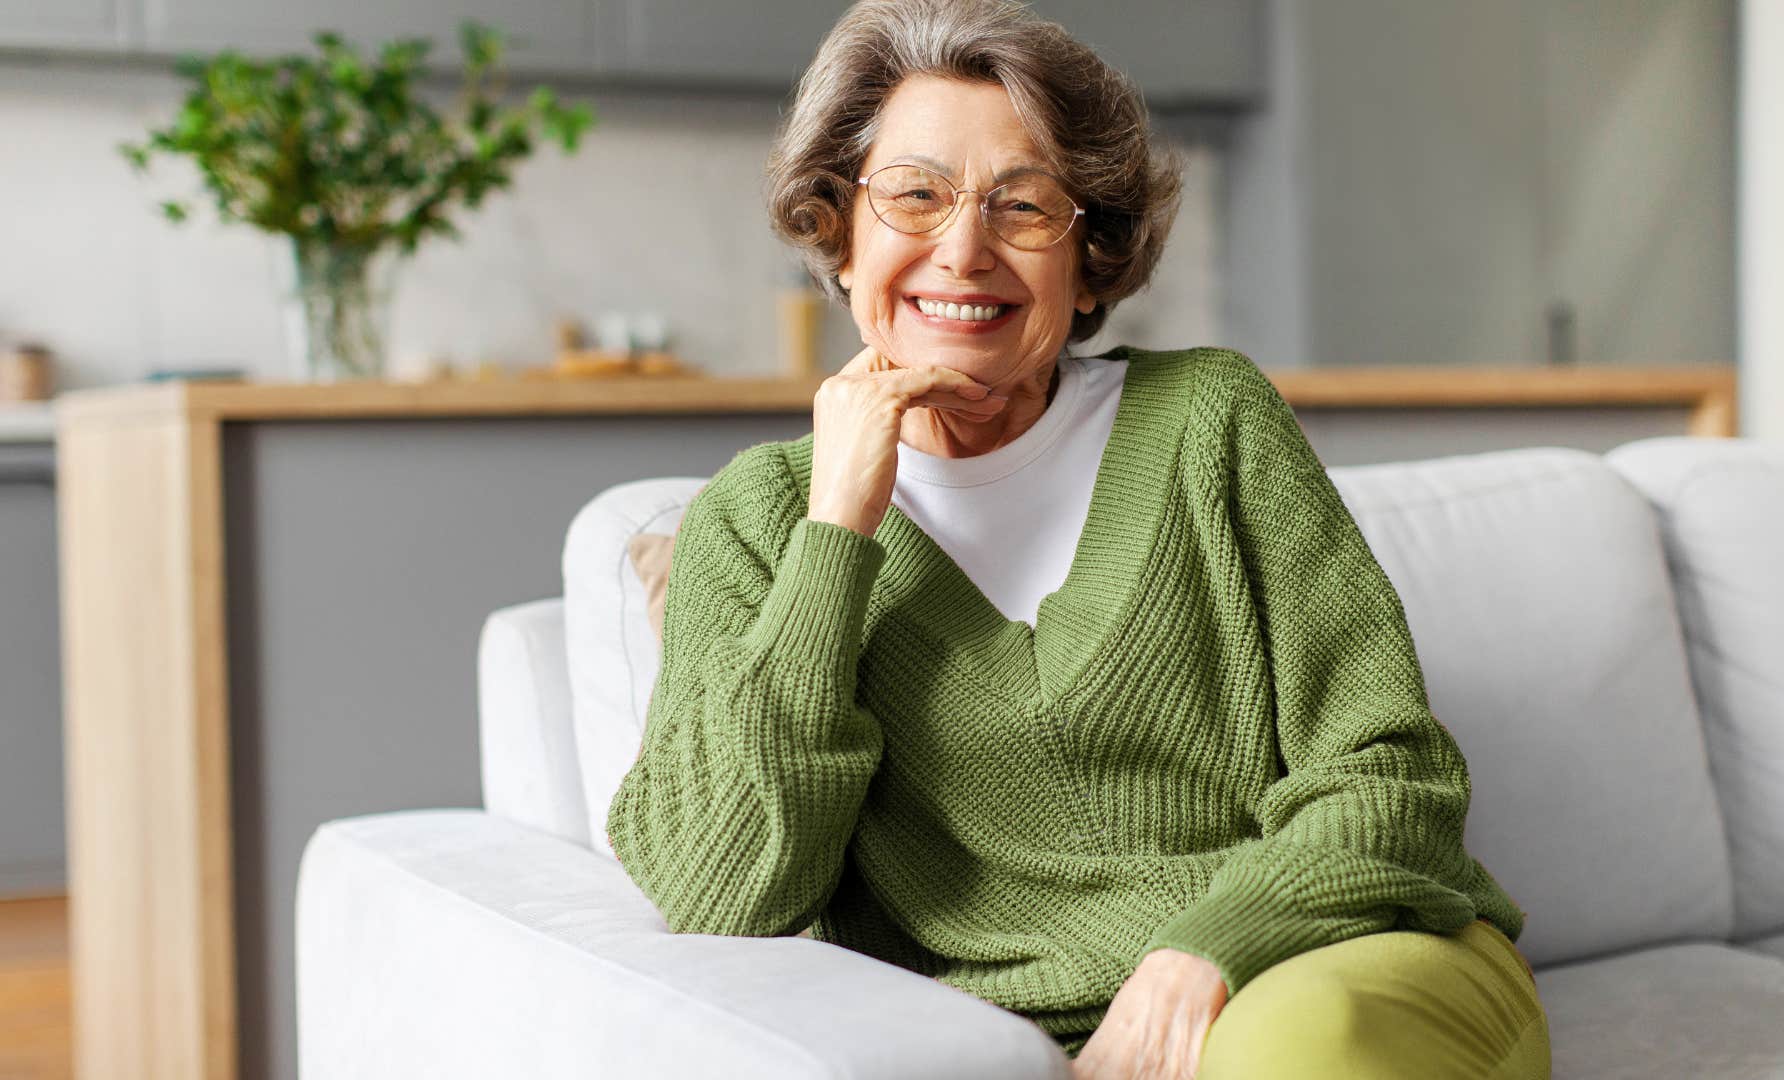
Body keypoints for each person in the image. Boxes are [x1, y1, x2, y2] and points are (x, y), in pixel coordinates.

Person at [606, 1, 1550, 1076]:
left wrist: (1205, 954)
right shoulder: (759, 522)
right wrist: (837, 535)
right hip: (1044, 1038)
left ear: (1092, 256)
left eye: (1022, 207)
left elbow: (1393, 776)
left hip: (1338, 966)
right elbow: (721, 892)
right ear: (839, 229)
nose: (962, 252)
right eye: (914, 196)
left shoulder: (1212, 422)